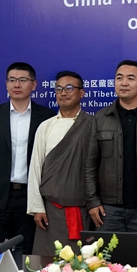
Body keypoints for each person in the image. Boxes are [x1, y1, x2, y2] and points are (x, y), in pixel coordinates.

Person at [0, 62, 56, 254]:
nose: (16, 85)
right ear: (6, 84)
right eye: (12, 80)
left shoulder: (47, 117)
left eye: (22, 80)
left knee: (27, 251)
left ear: (33, 85)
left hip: (31, 197)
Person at [85, 60, 137, 232]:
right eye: (119, 78)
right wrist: (92, 201)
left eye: (131, 78)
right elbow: (89, 164)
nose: (124, 83)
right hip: (107, 209)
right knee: (106, 251)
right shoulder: (100, 118)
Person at [27, 71, 94, 256]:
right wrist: (37, 207)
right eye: (59, 89)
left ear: (82, 93)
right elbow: (35, 168)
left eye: (69, 88)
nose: (63, 93)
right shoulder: (46, 126)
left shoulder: (93, 125)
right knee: (47, 264)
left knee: (82, 265)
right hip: (50, 211)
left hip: (83, 211)